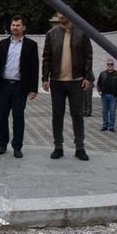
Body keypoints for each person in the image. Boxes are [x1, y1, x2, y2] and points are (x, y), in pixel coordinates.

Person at [42, 12, 94, 161]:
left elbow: (88, 56)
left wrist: (87, 77)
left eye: (65, 12)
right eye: (59, 13)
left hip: (76, 81)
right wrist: (45, 78)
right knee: (57, 115)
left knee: (77, 115)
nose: (62, 15)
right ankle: (58, 147)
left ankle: (80, 148)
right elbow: (46, 57)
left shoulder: (82, 33)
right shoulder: (51, 34)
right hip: (57, 82)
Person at [0, 15, 39, 158]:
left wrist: (33, 89)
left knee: (18, 117)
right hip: (4, 85)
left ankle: (17, 147)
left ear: (24, 27)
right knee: (1, 116)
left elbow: (34, 67)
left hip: (20, 87)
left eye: (18, 25)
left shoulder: (31, 45)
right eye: (13, 25)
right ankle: (2, 145)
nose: (15, 27)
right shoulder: (3, 43)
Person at [97, 59, 117, 132]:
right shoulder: (102, 73)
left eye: (111, 64)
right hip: (104, 96)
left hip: (113, 96)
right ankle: (105, 125)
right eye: (108, 64)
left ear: (113, 65)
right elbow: (98, 84)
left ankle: (111, 126)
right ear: (106, 65)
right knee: (104, 111)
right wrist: (99, 91)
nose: (110, 65)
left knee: (112, 111)